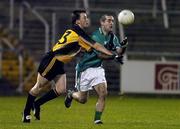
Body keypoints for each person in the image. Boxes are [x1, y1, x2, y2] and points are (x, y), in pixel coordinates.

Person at [22, 10, 117, 123]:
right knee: (38, 87)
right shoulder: (78, 32)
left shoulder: (79, 34)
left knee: (61, 89)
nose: (87, 19)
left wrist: (112, 57)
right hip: (52, 60)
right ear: (77, 22)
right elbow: (96, 46)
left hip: (59, 62)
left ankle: (37, 104)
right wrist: (111, 54)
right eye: (84, 18)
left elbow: (93, 51)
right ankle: (26, 112)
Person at [64, 14, 128, 124]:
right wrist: (114, 57)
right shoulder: (95, 36)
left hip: (97, 69)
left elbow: (119, 52)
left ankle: (97, 119)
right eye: (108, 21)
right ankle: (71, 94)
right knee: (82, 99)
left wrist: (124, 46)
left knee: (103, 93)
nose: (111, 23)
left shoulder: (113, 37)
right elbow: (100, 55)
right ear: (102, 23)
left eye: (112, 21)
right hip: (84, 69)